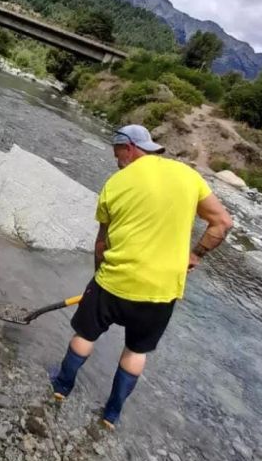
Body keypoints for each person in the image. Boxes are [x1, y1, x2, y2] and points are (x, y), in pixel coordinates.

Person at [51, 124, 234, 429]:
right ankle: (111, 415)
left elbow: (101, 242)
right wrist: (196, 254)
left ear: (130, 147)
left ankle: (61, 388)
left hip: (114, 281)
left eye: (117, 152)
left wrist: (97, 280)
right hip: (160, 290)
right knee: (136, 351)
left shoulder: (116, 183)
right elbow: (222, 223)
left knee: (85, 336)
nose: (116, 160)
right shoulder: (189, 177)